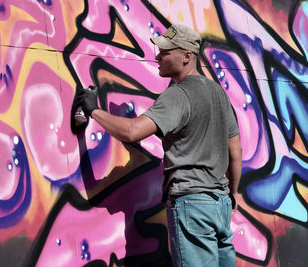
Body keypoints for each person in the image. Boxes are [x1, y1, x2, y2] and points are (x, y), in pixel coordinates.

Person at [76, 24, 242, 267]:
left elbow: (132, 132)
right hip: (220, 203)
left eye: (165, 51)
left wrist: (94, 110)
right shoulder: (218, 93)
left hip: (192, 204)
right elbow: (235, 150)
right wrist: (233, 194)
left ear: (187, 56)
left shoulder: (178, 95)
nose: (157, 57)